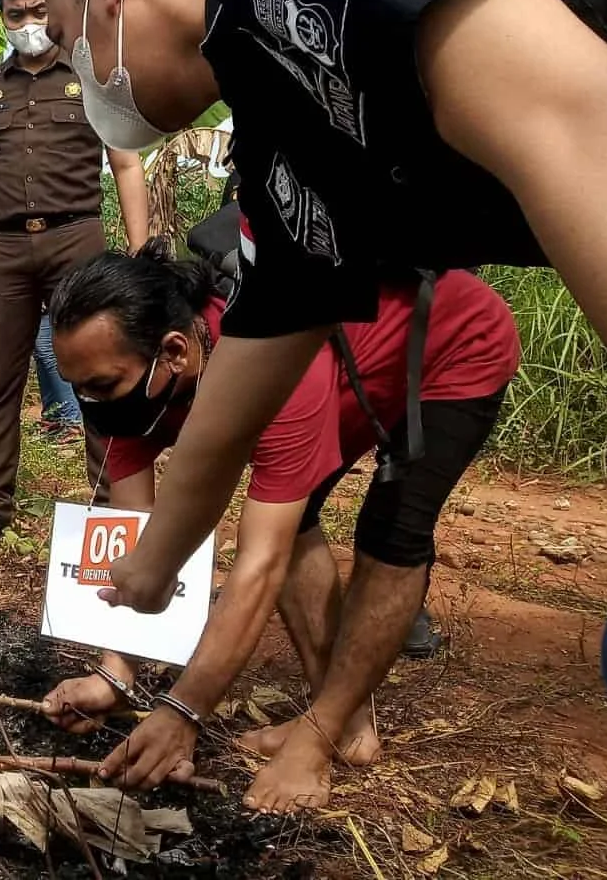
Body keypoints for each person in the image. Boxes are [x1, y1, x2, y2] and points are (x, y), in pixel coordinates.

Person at [30, 0, 607, 827]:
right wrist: (150, 563)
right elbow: (262, 348)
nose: (79, 77)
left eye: (64, 37)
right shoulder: (290, 136)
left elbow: (583, 125)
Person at [35, 246, 518, 811]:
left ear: (174, 350)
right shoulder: (128, 396)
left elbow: (259, 563)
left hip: (447, 351)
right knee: (301, 514)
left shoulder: (274, 364)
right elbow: (144, 544)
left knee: (391, 535)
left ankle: (323, 734)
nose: (91, 405)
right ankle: (346, 718)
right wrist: (115, 675)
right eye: (80, 389)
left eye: (102, 386)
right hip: (349, 367)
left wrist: (184, 710)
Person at [0, 0, 148, 534]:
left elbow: (125, 162)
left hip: (78, 240)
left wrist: (142, 248)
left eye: (37, 11)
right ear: (2, 18)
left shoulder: (93, 71)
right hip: (1, 251)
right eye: (15, 14)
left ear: (55, 9)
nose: (27, 22)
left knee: (99, 377)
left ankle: (108, 514)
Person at [33, 315, 83, 444]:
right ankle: (54, 418)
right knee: (42, 353)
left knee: (47, 350)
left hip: (50, 301)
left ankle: (70, 421)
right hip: (43, 303)